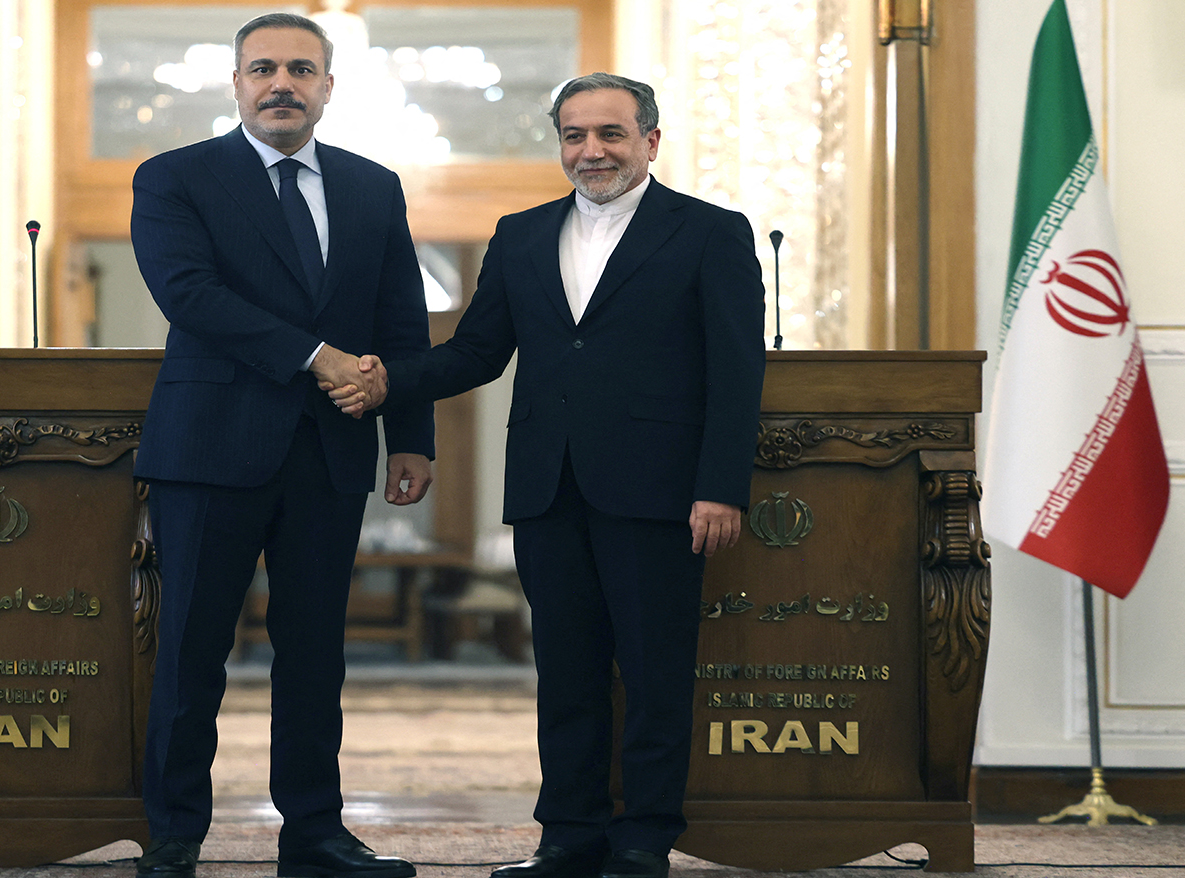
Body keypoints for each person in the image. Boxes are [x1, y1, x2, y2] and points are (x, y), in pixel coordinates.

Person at [328, 73, 765, 878]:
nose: (590, 151)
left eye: (610, 134)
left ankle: (644, 841)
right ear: (559, 144)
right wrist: (388, 379)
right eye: (574, 136)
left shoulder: (711, 232)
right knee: (564, 673)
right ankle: (567, 837)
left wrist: (721, 485)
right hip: (546, 489)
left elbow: (738, 373)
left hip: (662, 493)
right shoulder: (521, 232)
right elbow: (476, 352)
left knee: (654, 671)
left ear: (650, 142)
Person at [128, 13, 435, 878]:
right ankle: (175, 834)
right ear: (235, 83)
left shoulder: (374, 186)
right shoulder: (176, 177)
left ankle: (315, 835)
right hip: (209, 450)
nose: (281, 84)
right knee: (192, 652)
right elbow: (191, 296)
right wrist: (321, 358)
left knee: (315, 658)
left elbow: (401, 320)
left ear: (330, 86)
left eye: (302, 69)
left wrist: (409, 435)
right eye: (262, 68)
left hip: (330, 453)